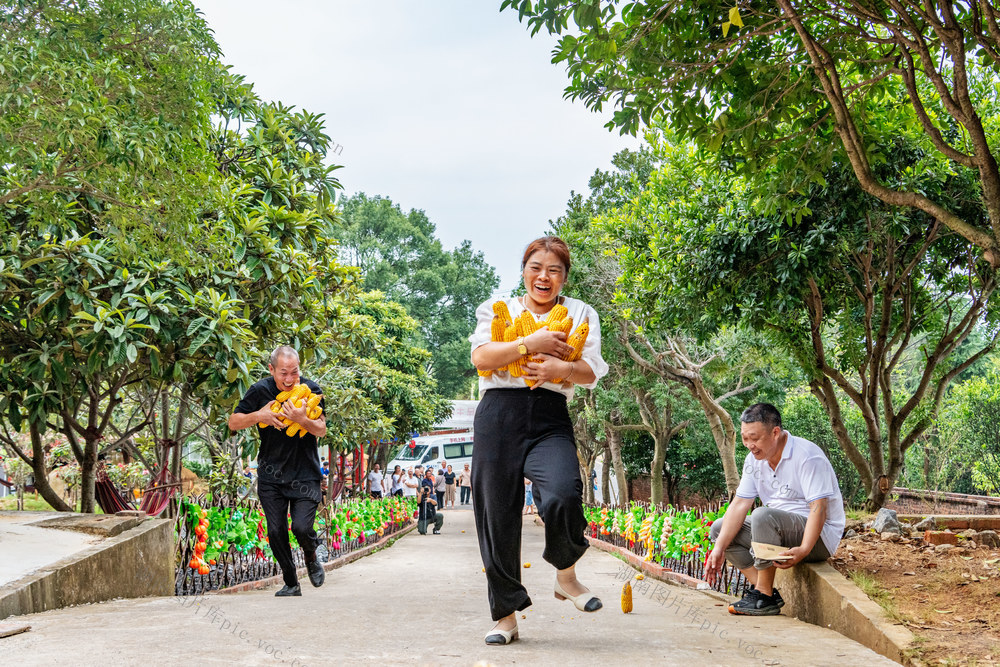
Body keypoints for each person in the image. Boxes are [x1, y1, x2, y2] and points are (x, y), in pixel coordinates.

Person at [469, 236, 609, 645]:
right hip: (498, 413)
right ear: (524, 270)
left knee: (564, 492)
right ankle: (505, 618)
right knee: (497, 516)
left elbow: (590, 372)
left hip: (549, 414)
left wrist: (558, 367)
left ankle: (565, 576)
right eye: (535, 267)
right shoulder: (498, 309)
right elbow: (481, 360)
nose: (543, 277)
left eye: (553, 270)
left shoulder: (581, 312)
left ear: (564, 277)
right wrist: (532, 343)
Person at [705, 403, 846, 616]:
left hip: (819, 536)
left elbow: (819, 507)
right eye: (745, 438)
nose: (749, 445)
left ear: (775, 432)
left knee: (762, 515)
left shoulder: (807, 456)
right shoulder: (753, 461)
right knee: (719, 529)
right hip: (777, 528)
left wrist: (805, 548)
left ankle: (764, 594)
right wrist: (719, 549)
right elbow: (740, 504)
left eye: (755, 438)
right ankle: (766, 592)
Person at [228, 346, 327, 597]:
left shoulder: (311, 390)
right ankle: (291, 582)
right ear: (272, 369)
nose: (290, 379)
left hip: (305, 474)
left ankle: (312, 556)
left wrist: (302, 419)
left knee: (302, 528)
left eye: (294, 372)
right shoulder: (261, 391)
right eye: (283, 373)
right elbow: (233, 422)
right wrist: (259, 415)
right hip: (271, 476)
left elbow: (322, 429)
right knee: (275, 531)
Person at [417, 470, 444, 535]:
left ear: (431, 489)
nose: (427, 490)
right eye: (425, 489)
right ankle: (421, 525)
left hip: (432, 516)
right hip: (423, 518)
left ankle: (436, 529)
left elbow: (435, 503)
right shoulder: (421, 496)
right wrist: (420, 493)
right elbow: (418, 502)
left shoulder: (432, 496)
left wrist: (430, 500)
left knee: (440, 516)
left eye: (428, 489)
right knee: (422, 531)